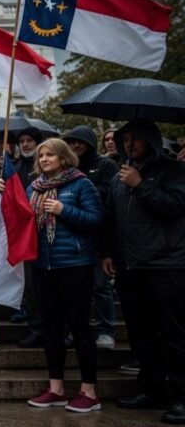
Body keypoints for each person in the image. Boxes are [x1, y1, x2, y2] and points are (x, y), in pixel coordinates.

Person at [0, 139, 104, 412]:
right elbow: (20, 217)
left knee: (79, 327)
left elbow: (97, 221)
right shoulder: (33, 187)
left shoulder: (81, 184)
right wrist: (5, 193)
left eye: (51, 154)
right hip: (42, 266)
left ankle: (88, 392)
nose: (44, 158)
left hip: (75, 265)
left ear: (64, 157)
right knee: (51, 329)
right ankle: (56, 388)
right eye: (42, 155)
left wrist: (64, 210)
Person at [102, 118, 185, 424]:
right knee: (141, 334)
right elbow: (111, 216)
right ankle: (151, 389)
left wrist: (142, 185)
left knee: (172, 334)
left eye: (135, 140)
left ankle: (181, 396)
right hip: (129, 265)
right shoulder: (118, 176)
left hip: (166, 264)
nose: (129, 145)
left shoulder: (173, 170)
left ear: (150, 140)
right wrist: (108, 252)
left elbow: (176, 206)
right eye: (125, 140)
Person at [63, 126, 120, 351]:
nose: (75, 146)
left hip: (98, 236)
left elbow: (108, 195)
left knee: (100, 286)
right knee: (74, 291)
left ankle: (106, 330)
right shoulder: (65, 167)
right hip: (71, 237)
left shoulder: (106, 165)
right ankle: (75, 331)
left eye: (80, 142)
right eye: (71, 142)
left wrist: (81, 190)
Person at [13, 127, 45, 348]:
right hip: (24, 234)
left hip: (47, 234)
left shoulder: (46, 168)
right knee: (31, 287)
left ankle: (61, 331)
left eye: (30, 140)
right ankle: (36, 329)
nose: (25, 144)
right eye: (22, 141)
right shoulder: (14, 168)